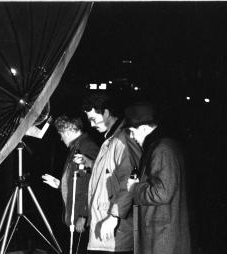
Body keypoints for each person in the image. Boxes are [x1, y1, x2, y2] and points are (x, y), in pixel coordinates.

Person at [76, 93, 141, 254]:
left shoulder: (122, 140)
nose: (91, 125)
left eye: (92, 119)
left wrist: (113, 217)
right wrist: (90, 163)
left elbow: (130, 180)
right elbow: (113, 172)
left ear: (105, 112)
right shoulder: (112, 139)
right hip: (106, 231)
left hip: (114, 236)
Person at [126, 102, 191, 254]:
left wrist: (134, 188)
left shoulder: (161, 149)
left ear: (143, 128)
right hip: (162, 234)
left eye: (132, 131)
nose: (132, 137)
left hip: (161, 239)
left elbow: (161, 193)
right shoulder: (164, 146)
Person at [42, 115, 100, 253]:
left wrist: (84, 215)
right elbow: (78, 180)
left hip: (82, 219)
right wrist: (60, 184)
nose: (61, 138)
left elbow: (94, 183)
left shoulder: (88, 147)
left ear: (67, 131)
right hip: (77, 216)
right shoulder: (77, 147)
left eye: (61, 134)